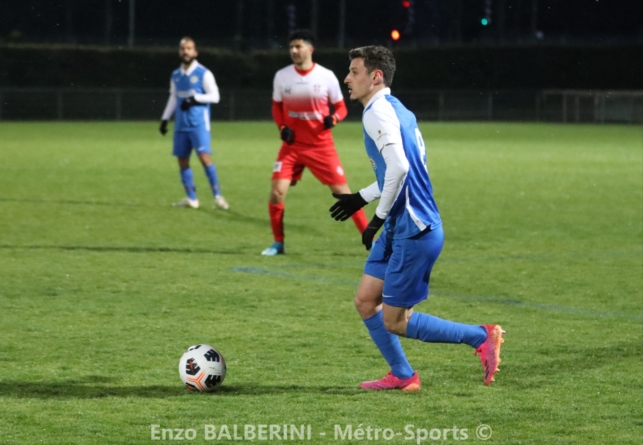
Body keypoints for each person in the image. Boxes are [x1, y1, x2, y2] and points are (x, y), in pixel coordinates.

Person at [330, 45, 504, 390]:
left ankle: (480, 336)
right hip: (402, 225)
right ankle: (403, 375)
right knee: (366, 301)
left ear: (375, 76)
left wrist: (376, 218)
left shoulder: (376, 113)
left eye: (354, 71)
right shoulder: (398, 110)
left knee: (396, 320)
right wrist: (360, 198)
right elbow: (396, 172)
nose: (347, 78)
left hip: (414, 229)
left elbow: (400, 167)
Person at [262, 30, 368, 256]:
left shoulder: (326, 76)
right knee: (277, 193)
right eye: (291, 47)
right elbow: (276, 107)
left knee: (343, 194)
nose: (293, 51)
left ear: (310, 49)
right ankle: (278, 243)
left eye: (298, 46)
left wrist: (335, 118)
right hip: (292, 147)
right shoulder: (282, 76)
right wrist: (282, 128)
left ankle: (372, 240)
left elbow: (341, 107)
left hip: (321, 146)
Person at [159, 37, 229, 210]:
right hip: (181, 125)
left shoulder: (203, 73)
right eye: (183, 48)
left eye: (189, 48)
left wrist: (195, 99)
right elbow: (173, 97)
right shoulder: (175, 75)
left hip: (198, 125)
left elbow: (215, 96)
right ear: (179, 52)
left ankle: (218, 197)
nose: (186, 52)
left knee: (204, 158)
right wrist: (165, 119)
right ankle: (191, 198)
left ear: (195, 52)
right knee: (182, 161)